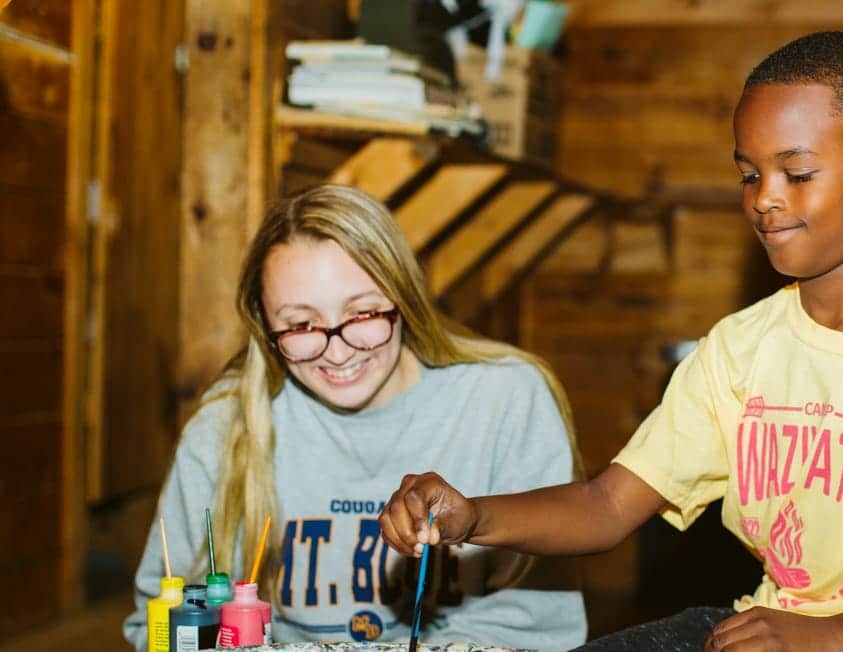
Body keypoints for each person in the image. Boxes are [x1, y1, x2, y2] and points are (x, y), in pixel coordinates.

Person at [380, 31, 843, 651]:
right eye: (749, 174)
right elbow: (606, 507)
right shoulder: (742, 347)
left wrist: (837, 636)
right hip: (771, 628)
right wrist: (474, 515)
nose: (763, 198)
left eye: (797, 174)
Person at [123, 185, 586, 650]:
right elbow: (159, 623)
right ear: (265, 326)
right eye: (301, 325)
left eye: (363, 313)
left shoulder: (507, 397)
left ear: (404, 297)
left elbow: (534, 623)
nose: (339, 350)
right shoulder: (228, 420)